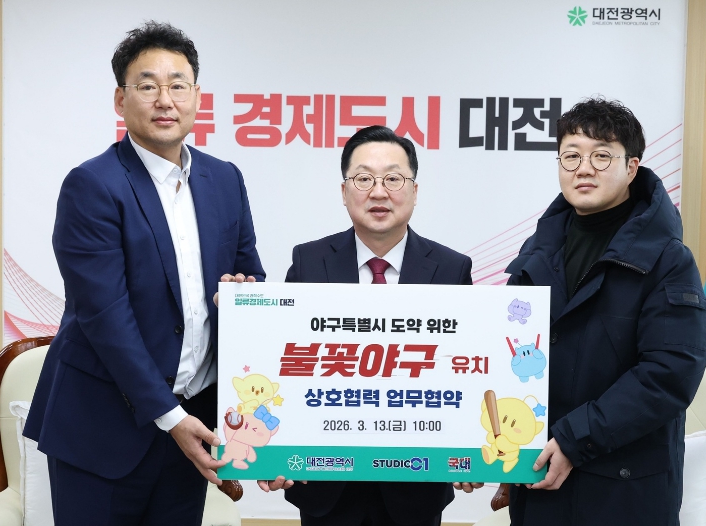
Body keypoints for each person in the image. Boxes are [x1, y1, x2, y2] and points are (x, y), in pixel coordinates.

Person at [24, 21, 265, 525]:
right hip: (102, 431)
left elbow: (250, 280)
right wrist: (171, 418)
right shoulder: (93, 185)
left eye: (178, 85)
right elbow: (105, 316)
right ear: (121, 99)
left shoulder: (225, 179)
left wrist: (240, 298)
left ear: (197, 96)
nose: (165, 100)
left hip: (194, 423)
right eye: (148, 86)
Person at [259, 125, 481, 526]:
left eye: (393, 179)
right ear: (345, 191)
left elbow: (466, 371)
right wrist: (272, 452)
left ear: (415, 190)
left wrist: (473, 452)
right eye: (364, 179)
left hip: (416, 485)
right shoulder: (310, 262)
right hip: (324, 482)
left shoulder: (451, 268)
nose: (379, 192)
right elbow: (283, 365)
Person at [505, 97, 706, 525]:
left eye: (601, 156)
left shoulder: (668, 259)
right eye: (571, 156)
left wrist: (574, 439)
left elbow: (670, 373)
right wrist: (500, 449)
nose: (584, 168)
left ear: (631, 167)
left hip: (626, 492)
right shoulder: (535, 252)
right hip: (540, 483)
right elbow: (508, 356)